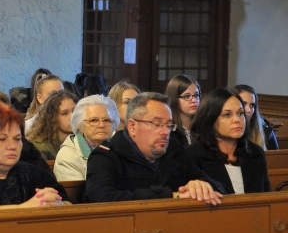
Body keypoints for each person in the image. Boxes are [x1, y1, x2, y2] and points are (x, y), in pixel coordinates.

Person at [84, 92, 224, 204]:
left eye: (168, 125)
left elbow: (221, 190)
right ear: (132, 126)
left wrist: (200, 186)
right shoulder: (105, 156)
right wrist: (171, 196)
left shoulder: (175, 151)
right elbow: (100, 198)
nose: (165, 132)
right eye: (157, 124)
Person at [186, 87, 270, 194]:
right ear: (210, 119)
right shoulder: (192, 155)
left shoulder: (255, 152)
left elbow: (266, 196)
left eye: (240, 113)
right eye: (227, 115)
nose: (237, 120)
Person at [54, 95, 119, 181]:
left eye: (106, 120)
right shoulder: (67, 157)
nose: (101, 125)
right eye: (94, 120)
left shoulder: (119, 148)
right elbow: (79, 189)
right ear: (80, 126)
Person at [25, 90, 78, 160]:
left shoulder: (84, 139)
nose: (72, 116)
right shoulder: (40, 147)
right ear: (52, 117)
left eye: (75, 111)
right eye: (64, 113)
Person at [232, 84, 279, 150]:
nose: (248, 110)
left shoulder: (264, 129)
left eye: (252, 105)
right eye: (243, 103)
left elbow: (275, 154)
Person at [165, 74, 201, 146]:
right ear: (174, 98)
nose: (194, 100)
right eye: (186, 96)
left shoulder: (204, 127)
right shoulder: (168, 129)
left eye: (196, 95)